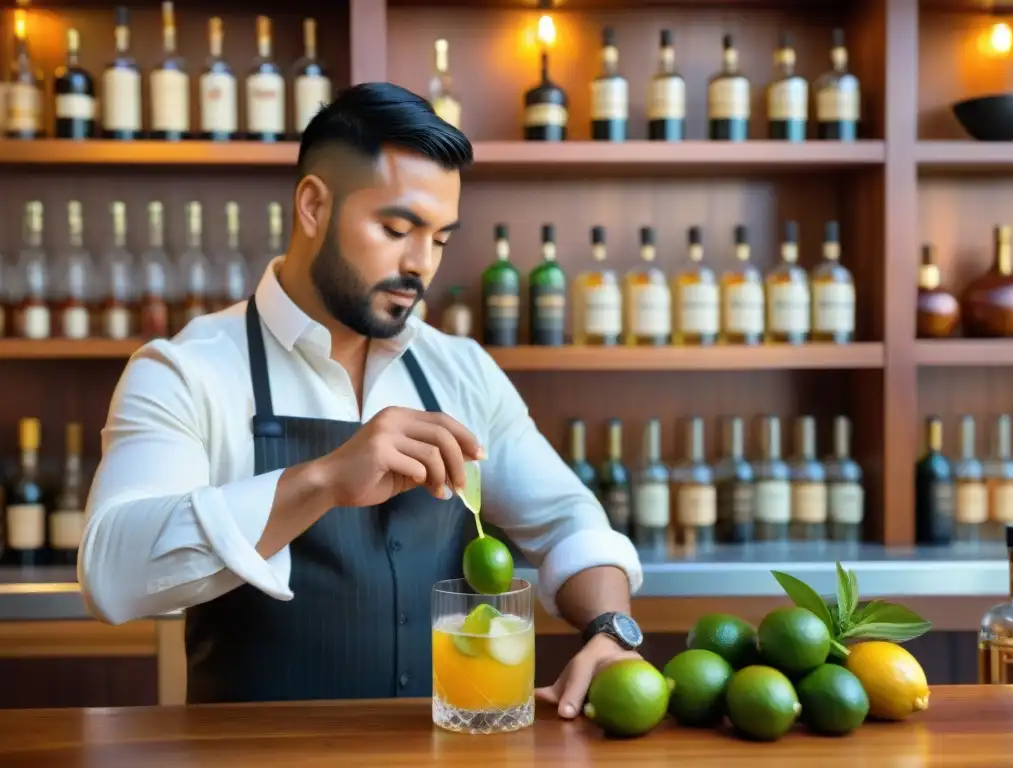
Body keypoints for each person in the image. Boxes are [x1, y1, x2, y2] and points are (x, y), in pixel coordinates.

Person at [78, 82, 643, 717]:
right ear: (314, 206)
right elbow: (111, 576)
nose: (420, 263)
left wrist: (610, 630)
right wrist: (324, 480)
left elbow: (569, 520)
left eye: (440, 239)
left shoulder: (462, 370)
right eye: (397, 228)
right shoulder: (185, 370)